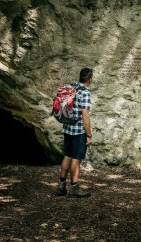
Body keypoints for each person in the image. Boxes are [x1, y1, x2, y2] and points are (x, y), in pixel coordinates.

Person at [56, 67, 94, 197]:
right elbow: (85, 115)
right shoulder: (86, 93)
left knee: (67, 155)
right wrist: (89, 135)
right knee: (76, 159)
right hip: (79, 131)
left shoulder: (71, 87)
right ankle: (74, 188)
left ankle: (61, 187)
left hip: (67, 128)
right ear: (90, 79)